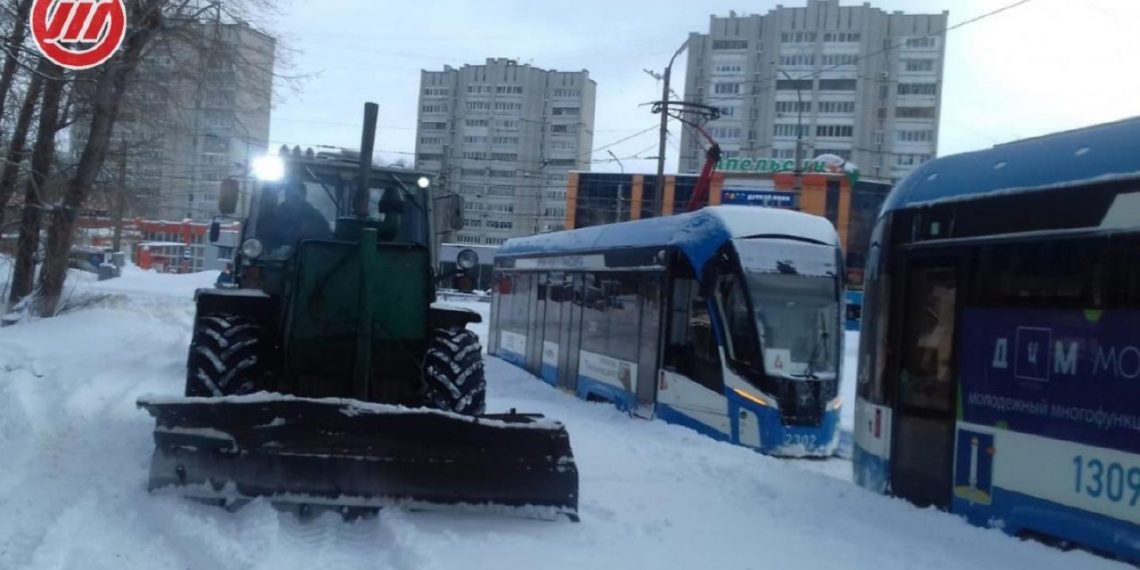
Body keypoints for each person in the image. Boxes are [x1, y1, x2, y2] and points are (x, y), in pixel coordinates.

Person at [265, 179, 333, 248]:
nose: (295, 199)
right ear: (286, 196)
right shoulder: (275, 215)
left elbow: (327, 239)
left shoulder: (315, 216)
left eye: (298, 196)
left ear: (304, 196)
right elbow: (264, 240)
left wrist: (310, 233)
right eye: (292, 195)